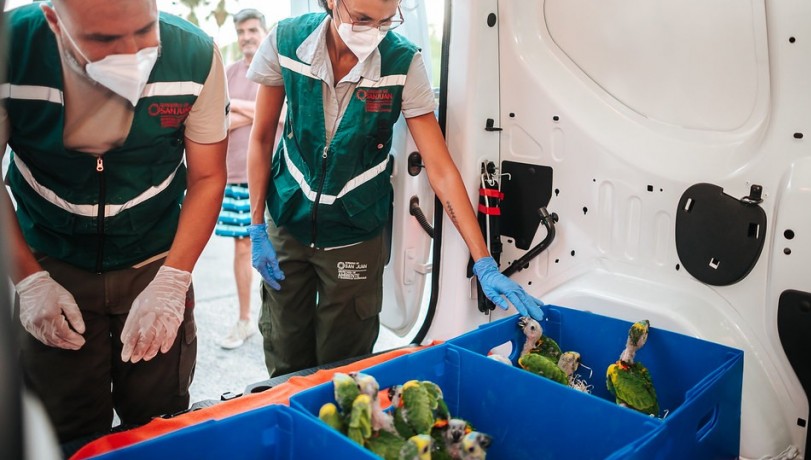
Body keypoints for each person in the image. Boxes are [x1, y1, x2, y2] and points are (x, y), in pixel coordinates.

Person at [245, 0, 543, 378]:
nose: (374, 31)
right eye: (363, 19)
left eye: (387, 20)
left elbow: (440, 168)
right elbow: (261, 137)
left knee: (343, 367)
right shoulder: (286, 42)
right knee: (284, 354)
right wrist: (257, 226)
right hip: (288, 222)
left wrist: (483, 259)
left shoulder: (403, 63)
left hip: (356, 234)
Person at [0, 0, 228, 448]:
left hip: (154, 260)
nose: (132, 55)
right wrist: (28, 280)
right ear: (53, 21)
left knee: (158, 423)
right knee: (66, 428)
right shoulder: (11, 51)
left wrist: (174, 279)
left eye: (145, 32)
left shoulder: (196, 55)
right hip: (52, 258)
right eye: (103, 40)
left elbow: (207, 175)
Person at [215, 8, 268, 350]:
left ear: (264, 31)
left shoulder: (273, 72)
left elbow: (282, 118)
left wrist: (240, 109)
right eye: (241, 31)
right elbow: (220, 118)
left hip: (271, 174)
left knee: (279, 246)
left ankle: (275, 317)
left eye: (252, 30)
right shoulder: (229, 72)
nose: (246, 36)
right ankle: (245, 319)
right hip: (235, 175)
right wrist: (256, 111)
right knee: (242, 246)